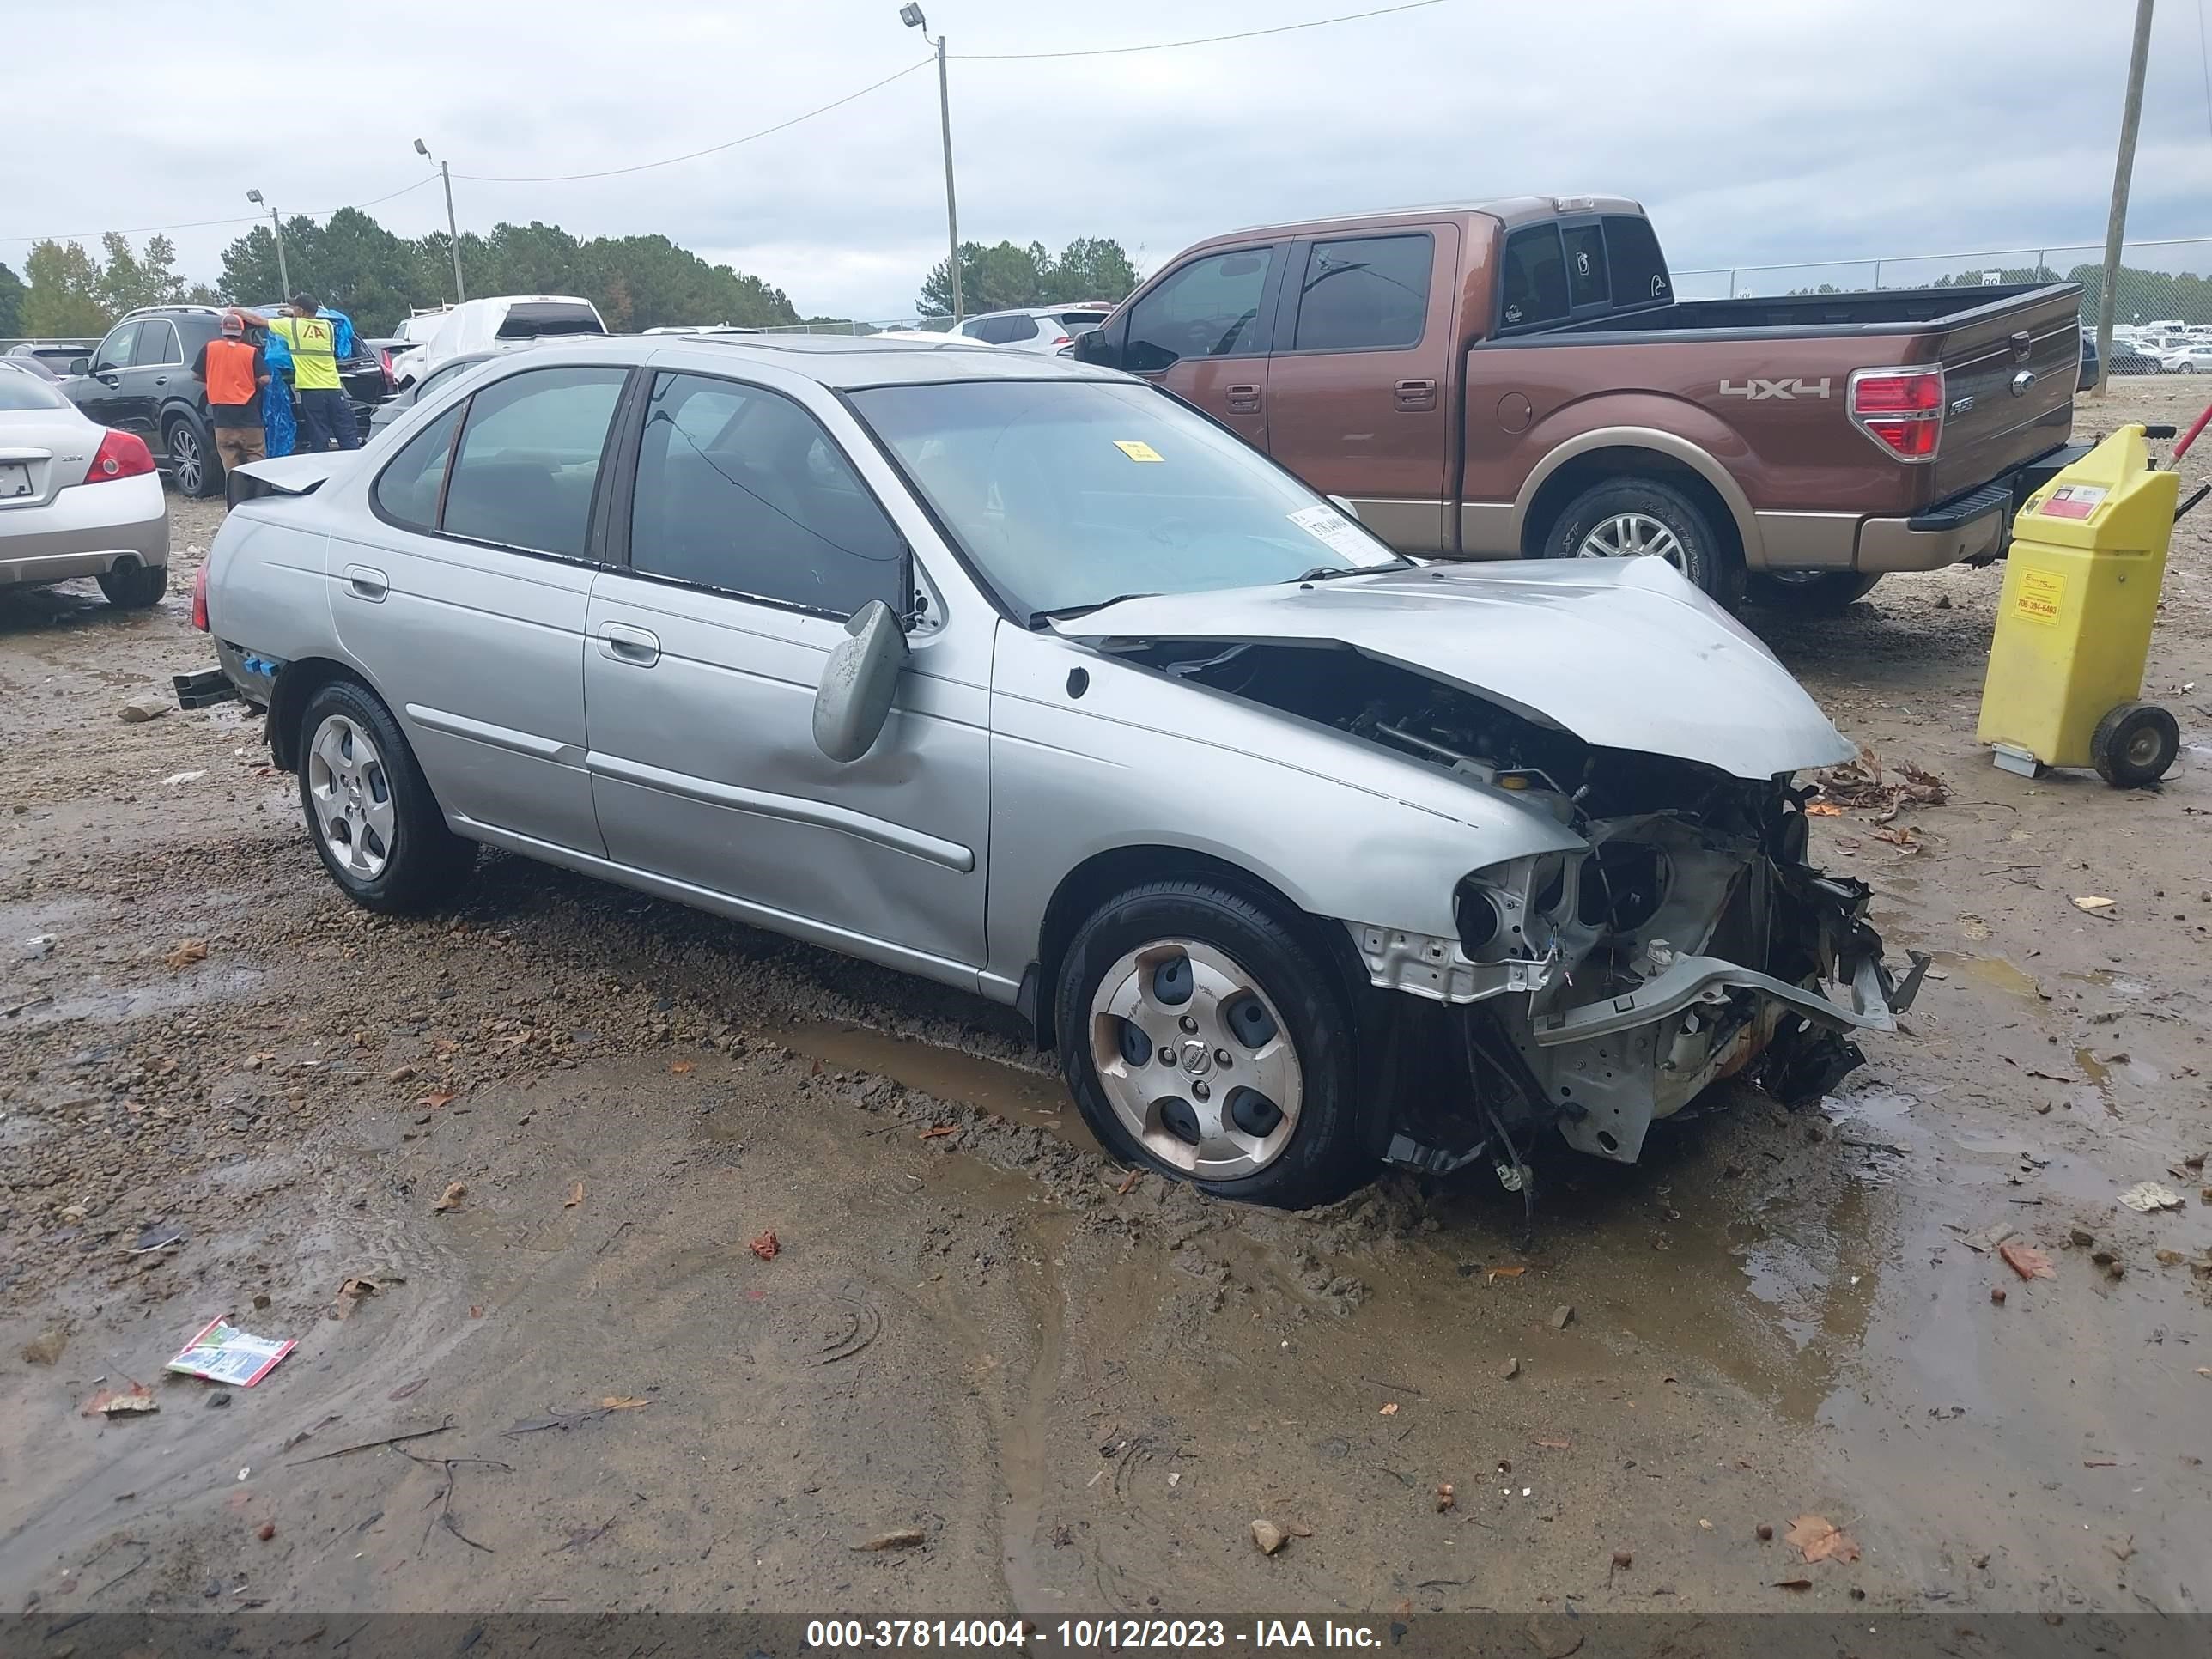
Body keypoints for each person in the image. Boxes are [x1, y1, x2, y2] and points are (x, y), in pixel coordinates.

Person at [267, 292, 358, 452]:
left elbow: (259, 321)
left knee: (319, 437)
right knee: (347, 436)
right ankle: (358, 468)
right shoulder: (327, 326)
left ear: (301, 311)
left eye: (294, 307)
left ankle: (321, 471)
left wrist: (235, 312)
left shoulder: (292, 326)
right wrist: (293, 315)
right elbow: (312, 323)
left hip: (312, 392)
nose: (293, 309)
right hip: (335, 389)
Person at [189, 310, 270, 471]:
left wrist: (214, 379)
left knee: (230, 462)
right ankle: (259, 494)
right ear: (241, 332)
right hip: (249, 416)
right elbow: (265, 379)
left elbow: (196, 375)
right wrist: (251, 383)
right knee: (256, 460)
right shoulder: (250, 352)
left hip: (222, 418)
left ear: (222, 330)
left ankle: (235, 495)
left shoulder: (210, 348)